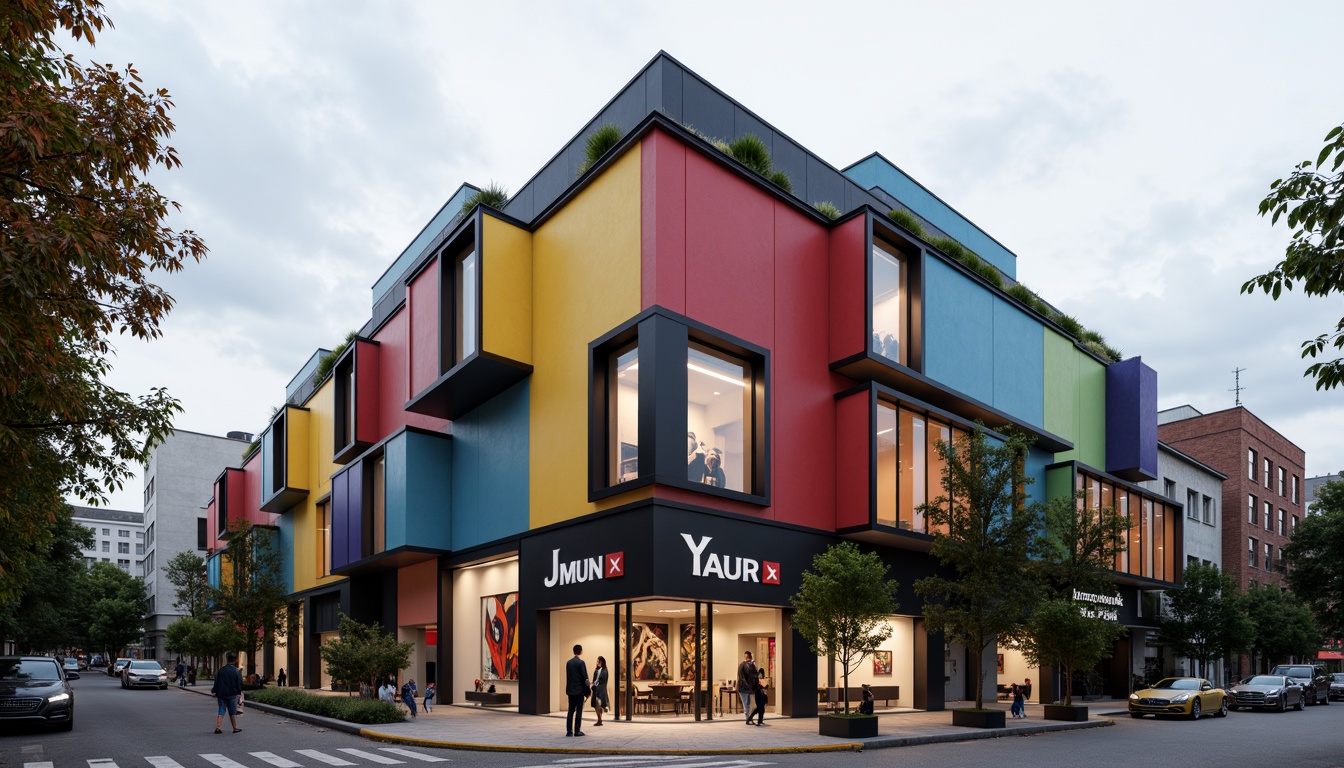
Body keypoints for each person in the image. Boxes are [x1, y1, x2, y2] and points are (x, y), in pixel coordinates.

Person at [211, 652, 243, 734]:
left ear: (227, 660)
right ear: (235, 660)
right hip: (232, 694)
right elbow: (238, 683)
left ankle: (218, 727)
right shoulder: (236, 671)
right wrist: (239, 692)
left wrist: (214, 690)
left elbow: (216, 682)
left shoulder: (221, 670)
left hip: (221, 693)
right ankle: (235, 728)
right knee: (232, 712)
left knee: (221, 709)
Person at [565, 644, 589, 737]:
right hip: (579, 691)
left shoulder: (569, 663)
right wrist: (587, 691)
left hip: (570, 691)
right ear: (581, 651)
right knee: (579, 711)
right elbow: (585, 678)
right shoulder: (581, 663)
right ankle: (577, 730)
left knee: (570, 711)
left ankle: (569, 731)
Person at [736, 651, 759, 724]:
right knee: (746, 703)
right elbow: (745, 676)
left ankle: (748, 718)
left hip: (746, 688)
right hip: (744, 688)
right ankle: (748, 718)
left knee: (747, 703)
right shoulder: (744, 665)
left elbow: (755, 674)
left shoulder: (747, 665)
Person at [590, 656, 609, 726]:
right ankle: (599, 719)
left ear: (601, 662)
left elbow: (602, 680)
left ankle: (600, 719)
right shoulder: (597, 670)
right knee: (596, 705)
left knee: (599, 704)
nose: (597, 663)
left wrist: (596, 685)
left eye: (598, 661)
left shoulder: (604, 670)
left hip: (601, 690)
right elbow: (595, 679)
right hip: (596, 689)